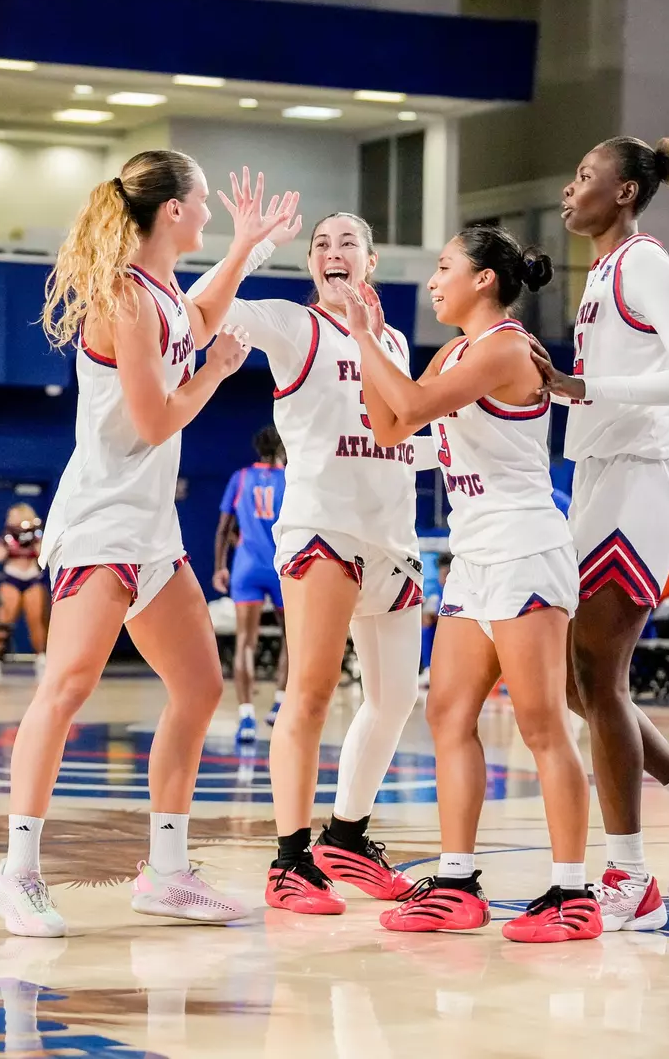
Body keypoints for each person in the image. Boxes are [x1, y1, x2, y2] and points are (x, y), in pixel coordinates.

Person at [0, 152, 294, 938]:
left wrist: (249, 247)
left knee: (198, 688)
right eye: (202, 199)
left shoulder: (159, 292)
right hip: (100, 526)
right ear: (174, 212)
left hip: (151, 536)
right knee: (67, 687)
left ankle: (165, 872)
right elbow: (157, 418)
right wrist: (221, 372)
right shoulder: (122, 295)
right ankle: (16, 874)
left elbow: (199, 315)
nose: (208, 210)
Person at [343, 226, 601, 943]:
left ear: (484, 280)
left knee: (542, 725)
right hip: (474, 553)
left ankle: (573, 895)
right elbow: (391, 425)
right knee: (447, 717)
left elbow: (413, 410)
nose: (433, 280)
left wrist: (366, 337)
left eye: (444, 267)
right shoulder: (457, 351)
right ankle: (457, 882)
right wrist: (369, 346)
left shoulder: (507, 348)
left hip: (525, 546)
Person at [189, 198, 441, 914]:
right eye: (323, 243)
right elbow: (199, 307)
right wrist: (248, 247)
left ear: (371, 262)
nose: (335, 250)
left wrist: (449, 444)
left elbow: (398, 438)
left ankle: (347, 837)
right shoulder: (294, 325)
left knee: (393, 699)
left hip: (393, 536)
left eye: (349, 241)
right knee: (310, 692)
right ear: (312, 263)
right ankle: (289, 861)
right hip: (323, 530)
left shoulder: (390, 343)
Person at [531, 136, 669, 924]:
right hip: (597, 480)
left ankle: (630, 875)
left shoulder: (644, 263)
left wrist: (580, 385)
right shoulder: (600, 273)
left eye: (585, 176)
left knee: (599, 677)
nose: (569, 188)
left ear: (625, 192)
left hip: (639, 480)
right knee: (572, 681)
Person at [214, 424, 288, 741]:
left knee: (245, 641)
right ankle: (279, 705)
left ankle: (246, 717)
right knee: (292, 638)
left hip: (246, 566)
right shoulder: (291, 479)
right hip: (283, 566)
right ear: (284, 449)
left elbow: (223, 529)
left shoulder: (240, 478)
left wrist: (220, 567)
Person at [0, 504, 49, 682]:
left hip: (32, 578)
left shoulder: (36, 534)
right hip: (12, 577)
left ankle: (41, 657)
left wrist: (32, 540)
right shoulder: (6, 536)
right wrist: (10, 545)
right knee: (5, 619)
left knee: (36, 619)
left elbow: (42, 555)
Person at [420, 551, 451, 686]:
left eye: (446, 575)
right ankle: (428, 669)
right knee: (425, 625)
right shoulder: (437, 593)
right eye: (441, 575)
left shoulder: (461, 591)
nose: (443, 579)